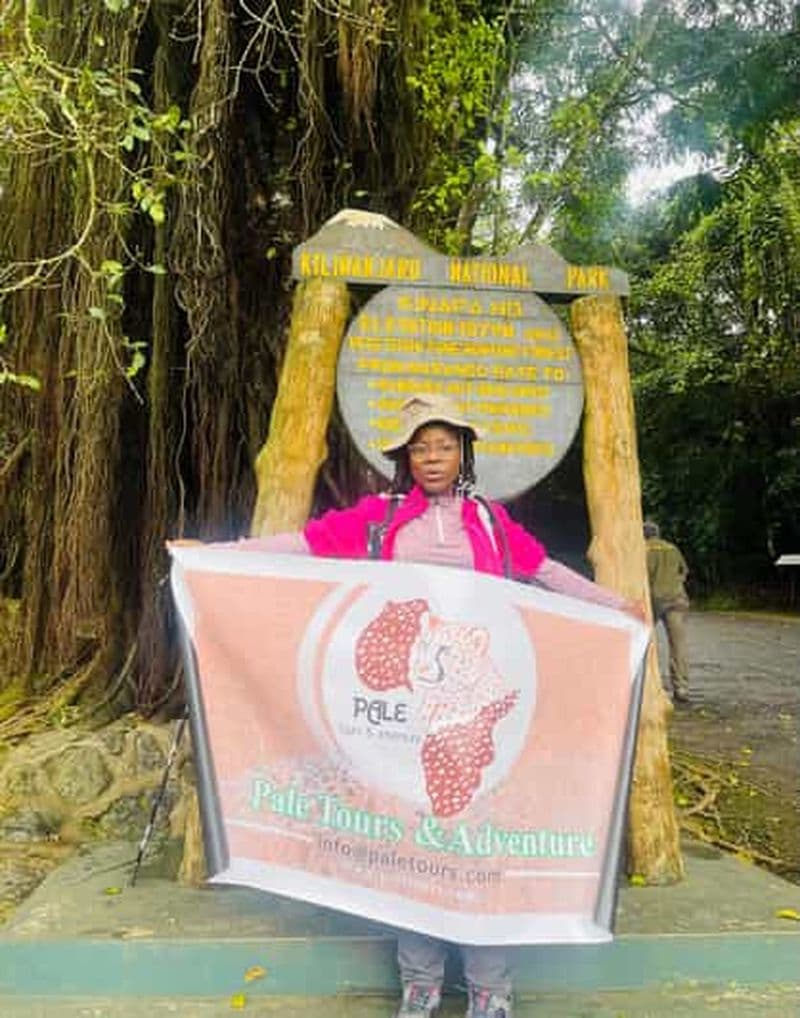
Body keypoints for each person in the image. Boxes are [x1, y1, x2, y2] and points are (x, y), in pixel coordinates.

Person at [231, 393, 639, 1018]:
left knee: (479, 842)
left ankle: (490, 987)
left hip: (472, 711)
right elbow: (307, 544)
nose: (432, 457)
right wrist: (218, 555)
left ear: (463, 454)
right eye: (420, 448)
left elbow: (546, 573)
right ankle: (419, 982)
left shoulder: (489, 523)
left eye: (444, 446)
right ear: (405, 458)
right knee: (412, 847)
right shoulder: (380, 518)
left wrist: (616, 608)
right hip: (403, 717)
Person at [643, 520, 690, 704]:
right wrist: (675, 583)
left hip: (653, 601)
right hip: (677, 599)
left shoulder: (643, 550)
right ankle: (681, 687)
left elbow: (641, 574)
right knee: (678, 645)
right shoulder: (672, 548)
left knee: (644, 641)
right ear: (658, 533)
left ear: (643, 535)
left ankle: (646, 685)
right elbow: (684, 571)